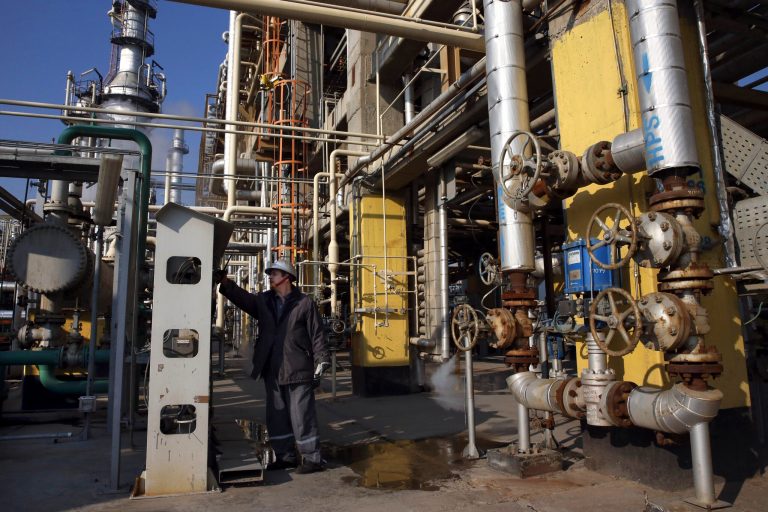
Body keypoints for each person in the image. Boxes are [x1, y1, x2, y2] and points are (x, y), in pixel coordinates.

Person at [213, 259, 330, 474]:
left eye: (274, 273)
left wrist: (322, 359)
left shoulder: (304, 303)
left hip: (297, 367)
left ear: (287, 278)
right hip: (272, 367)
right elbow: (245, 300)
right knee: (277, 415)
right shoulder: (265, 301)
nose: (270, 277)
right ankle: (285, 457)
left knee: (301, 415)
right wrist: (226, 283)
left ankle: (312, 458)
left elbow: (317, 334)